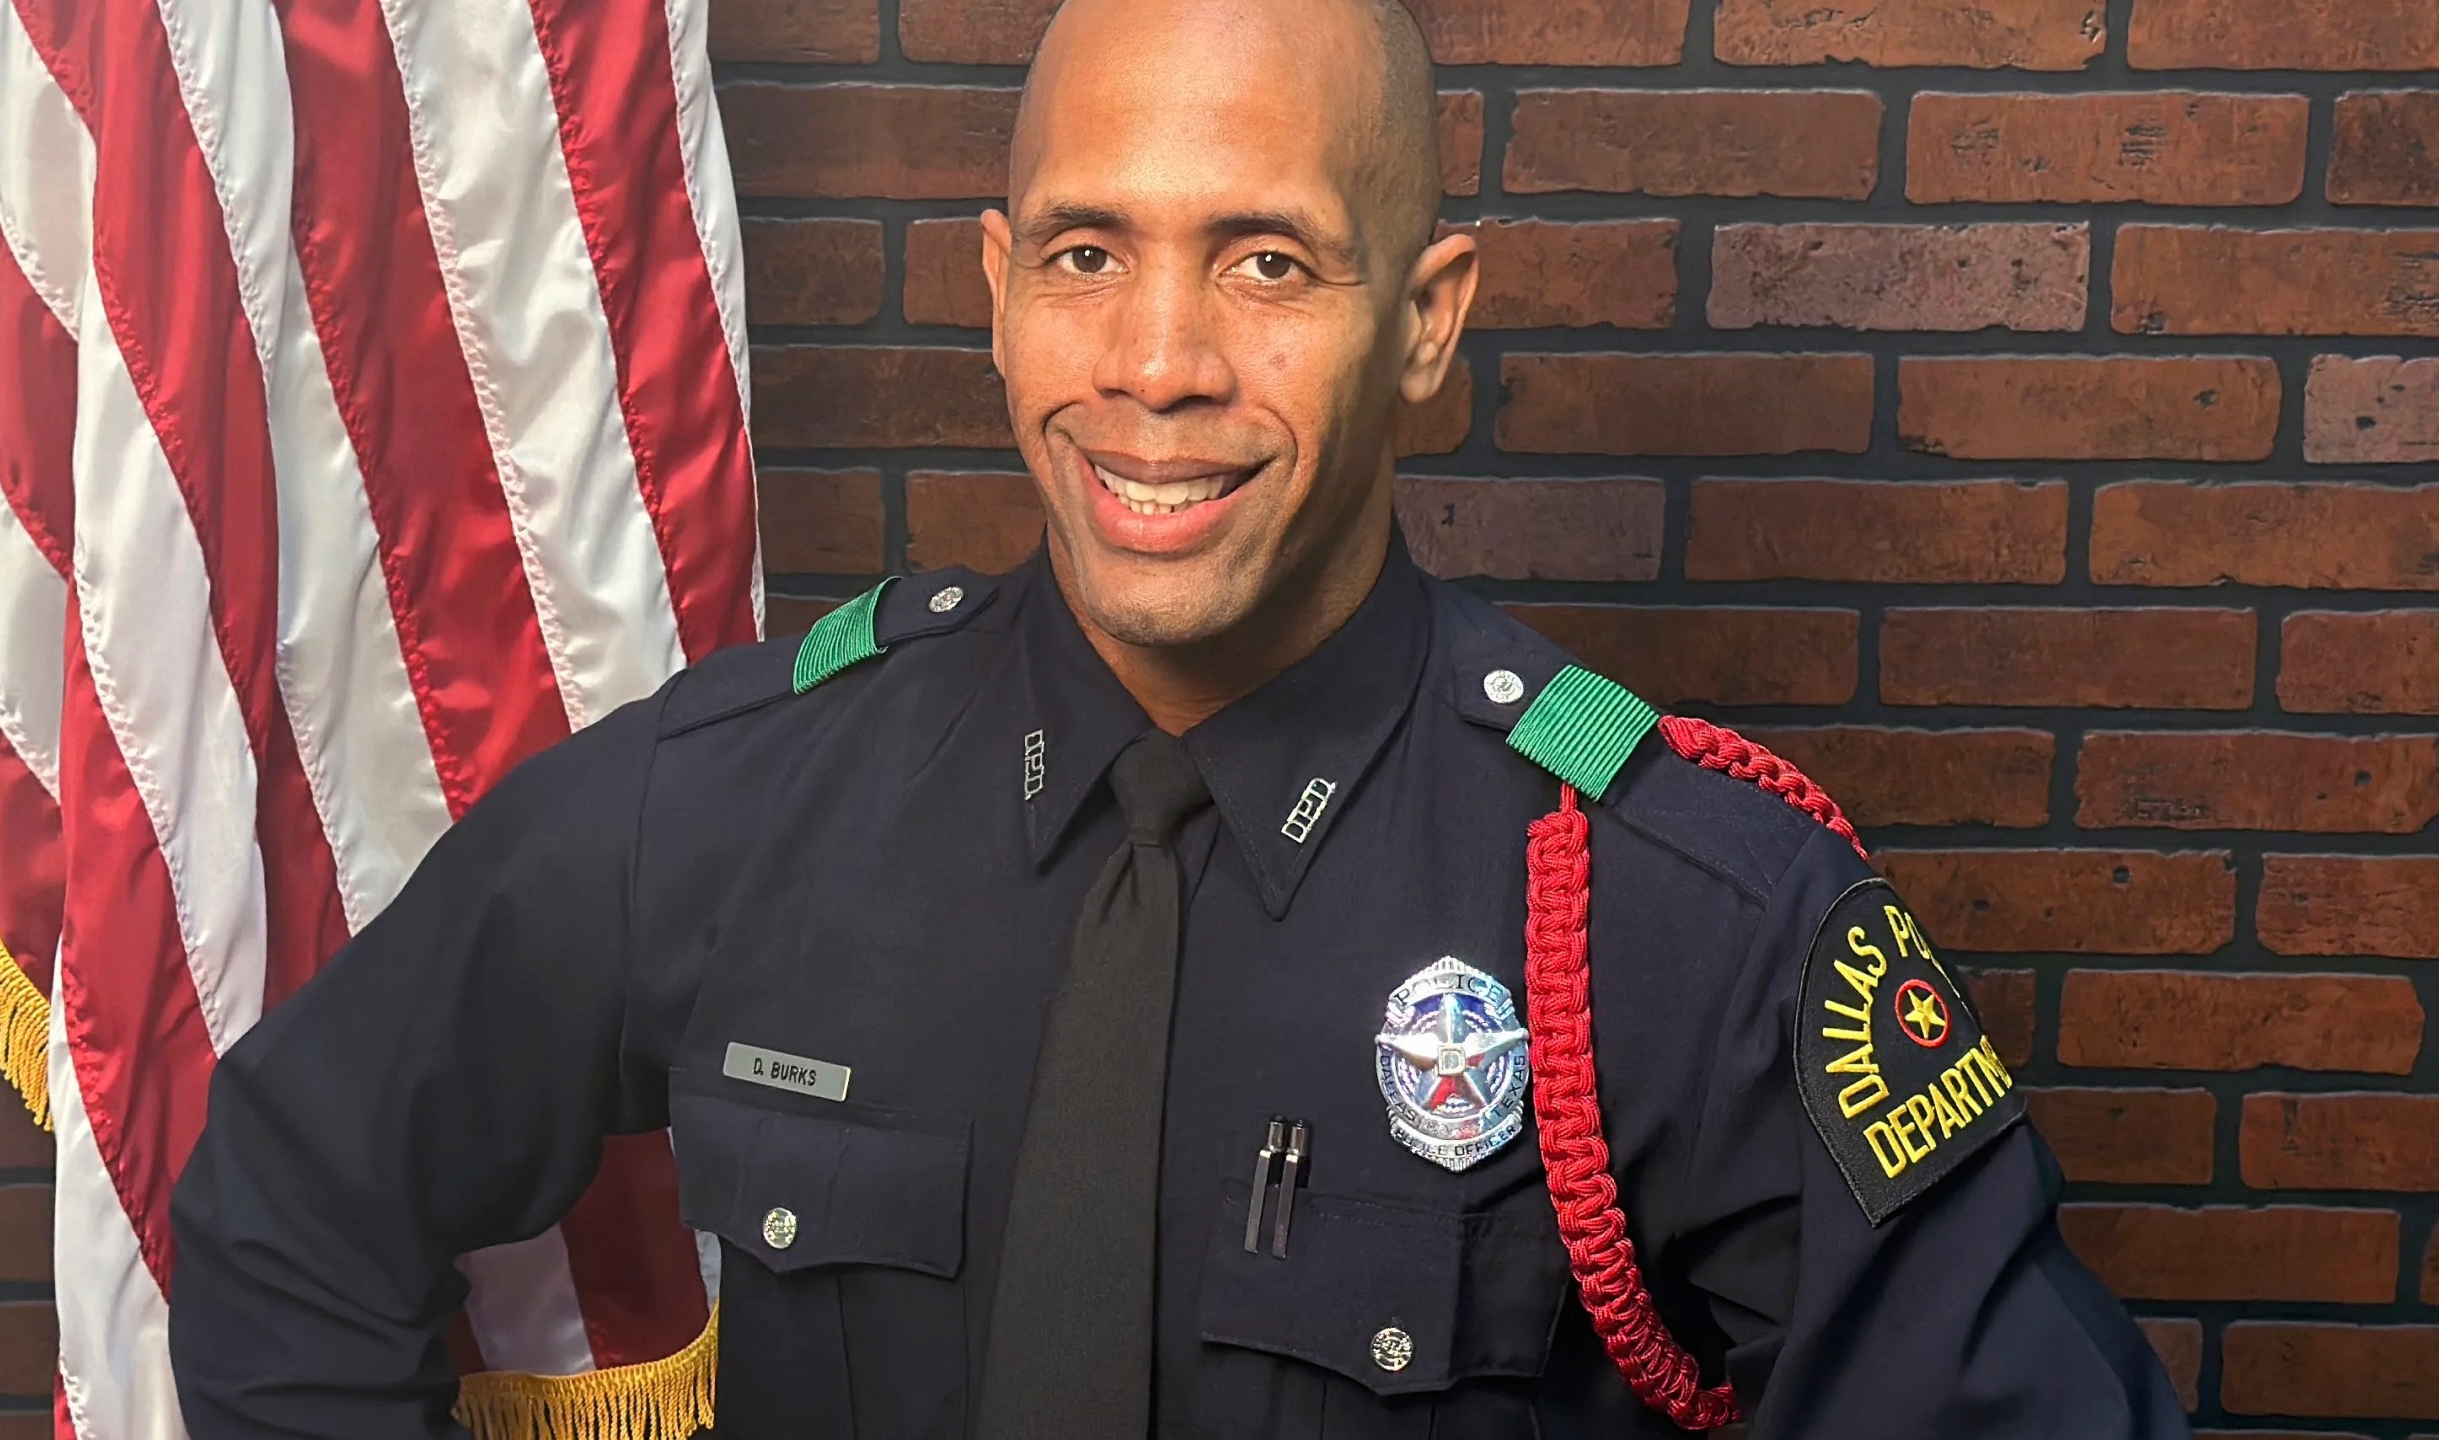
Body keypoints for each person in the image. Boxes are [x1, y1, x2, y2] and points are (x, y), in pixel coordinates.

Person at [167, 0, 2191, 1434]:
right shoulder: (744, 801)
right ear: (994, 285)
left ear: (1424, 317)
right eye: (1084, 253)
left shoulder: (1675, 918)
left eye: (1265, 262)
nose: (1153, 362)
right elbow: (289, 1189)